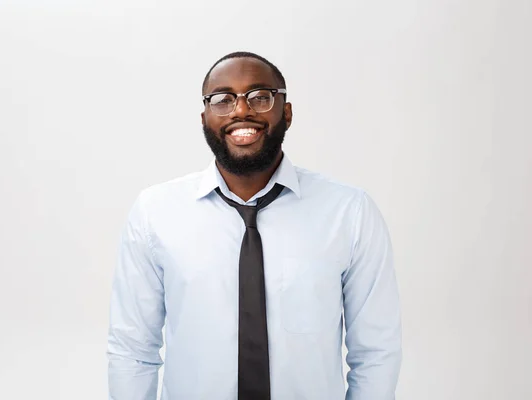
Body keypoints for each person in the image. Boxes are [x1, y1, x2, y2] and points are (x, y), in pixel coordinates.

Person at [107, 51, 402, 400]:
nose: (241, 110)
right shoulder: (155, 213)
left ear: (287, 113)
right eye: (223, 99)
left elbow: (375, 353)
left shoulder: (349, 212)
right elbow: (132, 350)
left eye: (261, 97)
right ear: (205, 118)